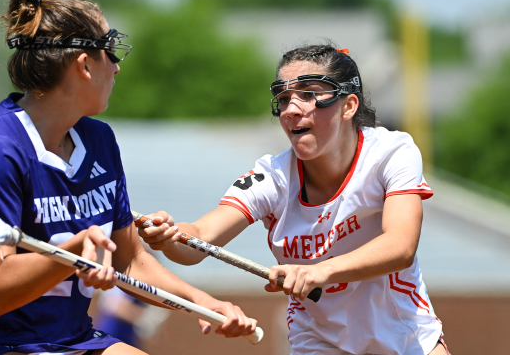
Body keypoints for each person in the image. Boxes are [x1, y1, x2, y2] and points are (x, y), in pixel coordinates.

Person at [0, 0, 257, 354]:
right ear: (85, 64)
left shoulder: (99, 141)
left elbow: (129, 259)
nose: (116, 67)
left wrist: (204, 304)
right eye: (110, 51)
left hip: (69, 339)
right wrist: (72, 252)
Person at [138, 44, 450, 355]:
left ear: (349, 106)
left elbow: (401, 245)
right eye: (284, 99)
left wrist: (318, 271)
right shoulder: (271, 178)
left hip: (407, 337)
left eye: (309, 94)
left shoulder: (391, 152)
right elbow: (200, 239)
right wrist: (169, 237)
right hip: (318, 343)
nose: (290, 109)